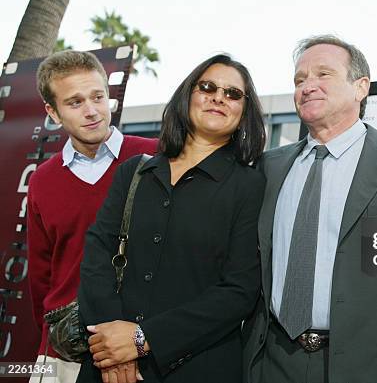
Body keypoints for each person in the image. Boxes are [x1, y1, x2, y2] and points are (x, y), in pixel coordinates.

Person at [243, 35, 377, 383]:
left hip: (374, 367)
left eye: (323, 74)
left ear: (361, 87)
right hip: (274, 363)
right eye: (299, 80)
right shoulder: (268, 168)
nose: (307, 86)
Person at [76, 54, 266, 383]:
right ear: (187, 95)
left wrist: (142, 339)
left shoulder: (251, 186)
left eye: (233, 94)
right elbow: (97, 256)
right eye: (207, 87)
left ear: (244, 112)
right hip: (106, 366)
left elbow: (239, 291)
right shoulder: (133, 173)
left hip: (196, 367)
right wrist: (111, 346)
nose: (219, 97)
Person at [27, 50, 157, 383]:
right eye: (74, 102)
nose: (91, 111)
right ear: (52, 112)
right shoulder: (42, 180)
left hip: (140, 345)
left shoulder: (155, 157)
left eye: (98, 97)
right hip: (64, 352)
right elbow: (41, 276)